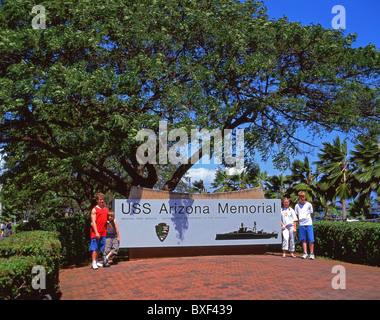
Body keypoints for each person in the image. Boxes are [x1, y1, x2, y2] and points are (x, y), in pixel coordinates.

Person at [89, 193, 109, 270]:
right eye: (100, 200)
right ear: (97, 200)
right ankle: (93, 262)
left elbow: (107, 219)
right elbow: (93, 222)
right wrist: (96, 232)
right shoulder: (94, 209)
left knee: (100, 248)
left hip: (103, 232)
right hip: (96, 232)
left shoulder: (106, 209)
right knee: (95, 247)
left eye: (103, 199)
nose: (102, 201)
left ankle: (97, 261)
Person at [295, 191, 315, 260]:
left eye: (303, 197)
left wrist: (308, 220)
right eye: (301, 197)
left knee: (311, 239)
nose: (302, 198)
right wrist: (301, 220)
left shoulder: (309, 205)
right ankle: (305, 253)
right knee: (303, 240)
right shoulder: (297, 206)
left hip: (309, 224)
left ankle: (312, 254)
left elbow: (311, 214)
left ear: (305, 197)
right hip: (301, 224)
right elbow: (297, 215)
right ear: (299, 198)